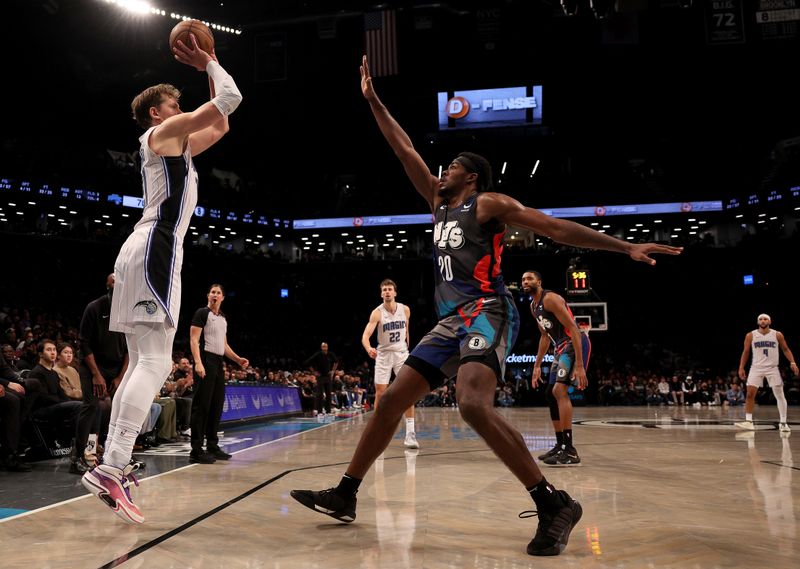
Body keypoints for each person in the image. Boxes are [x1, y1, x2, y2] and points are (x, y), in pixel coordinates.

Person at [289, 55, 682, 557]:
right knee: (390, 402)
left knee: (473, 405)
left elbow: (554, 227)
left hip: (489, 311)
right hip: (451, 320)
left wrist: (622, 246)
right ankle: (346, 494)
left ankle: (552, 501)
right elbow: (402, 147)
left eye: (452, 166)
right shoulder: (438, 204)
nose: (442, 171)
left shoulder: (488, 204)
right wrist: (373, 100)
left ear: (471, 178)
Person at [81, 32, 243, 524]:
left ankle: (111, 462)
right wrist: (211, 61)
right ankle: (111, 465)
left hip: (143, 248)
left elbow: (224, 124)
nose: (183, 106)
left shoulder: (178, 147)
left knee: (139, 363)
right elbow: (230, 98)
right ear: (157, 112)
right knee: (154, 361)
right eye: (176, 103)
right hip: (155, 248)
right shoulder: (162, 135)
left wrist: (207, 75)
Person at [522, 271, 590, 466]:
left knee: (559, 390)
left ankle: (569, 449)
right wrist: (536, 365)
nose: (526, 282)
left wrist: (579, 365)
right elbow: (544, 337)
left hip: (574, 342)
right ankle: (560, 445)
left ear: (539, 282)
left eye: (530, 279)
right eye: (523, 280)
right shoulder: (533, 306)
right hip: (560, 346)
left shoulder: (550, 299)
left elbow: (575, 330)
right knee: (550, 394)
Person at [189, 284, 249, 464]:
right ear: (208, 295)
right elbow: (194, 339)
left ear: (223, 297)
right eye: (212, 292)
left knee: (216, 406)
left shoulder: (223, 318)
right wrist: (198, 362)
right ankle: (196, 450)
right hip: (205, 361)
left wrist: (237, 359)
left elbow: (223, 345)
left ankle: (212, 446)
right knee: (202, 406)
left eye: (218, 292)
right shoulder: (202, 313)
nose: (215, 295)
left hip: (218, 362)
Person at [361, 279, 418, 448]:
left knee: (407, 391)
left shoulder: (405, 309)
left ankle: (410, 434)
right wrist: (368, 347)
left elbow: (407, 330)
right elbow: (365, 335)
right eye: (384, 289)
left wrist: (408, 347)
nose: (387, 292)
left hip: (401, 353)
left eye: (389, 289)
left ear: (395, 293)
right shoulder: (376, 313)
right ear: (381, 294)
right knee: (381, 393)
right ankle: (377, 431)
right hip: (384, 354)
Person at [735, 314, 797, 432]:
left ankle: (783, 423)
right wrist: (741, 367)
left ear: (770, 321)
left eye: (765, 319)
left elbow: (785, 349)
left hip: (772, 368)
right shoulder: (750, 335)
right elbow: (746, 352)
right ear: (758, 322)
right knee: (749, 394)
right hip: (756, 367)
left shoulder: (777, 334)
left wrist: (792, 362)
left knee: (779, 394)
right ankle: (748, 422)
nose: (763, 321)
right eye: (760, 319)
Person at [304, 342, 339, 417]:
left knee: (328, 394)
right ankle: (319, 412)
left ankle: (328, 411)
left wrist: (333, 371)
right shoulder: (318, 354)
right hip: (320, 376)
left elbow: (336, 362)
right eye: (323, 347)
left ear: (327, 347)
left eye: (325, 347)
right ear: (321, 347)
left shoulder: (330, 354)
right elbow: (307, 362)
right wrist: (313, 372)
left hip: (328, 376)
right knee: (319, 394)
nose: (324, 348)